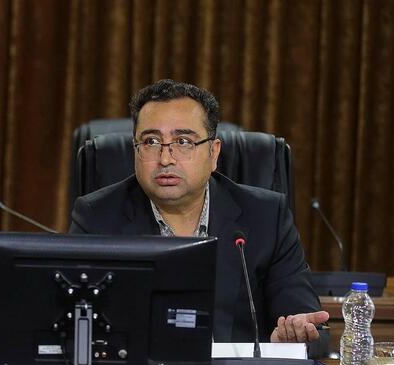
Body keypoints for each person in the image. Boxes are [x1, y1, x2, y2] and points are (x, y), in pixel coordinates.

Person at [70, 79, 328, 343]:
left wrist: (293, 336)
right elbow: (73, 323)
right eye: (151, 141)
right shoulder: (96, 217)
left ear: (213, 153)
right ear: (135, 150)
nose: (165, 159)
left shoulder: (267, 217)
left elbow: (308, 323)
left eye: (183, 141)